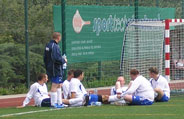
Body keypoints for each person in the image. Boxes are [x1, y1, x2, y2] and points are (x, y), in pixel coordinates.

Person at [44, 32, 67, 108]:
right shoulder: (54, 46)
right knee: (54, 85)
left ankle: (59, 102)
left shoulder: (48, 45)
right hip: (55, 69)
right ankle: (53, 103)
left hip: (51, 68)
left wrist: (47, 66)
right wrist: (63, 60)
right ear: (58, 37)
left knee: (59, 85)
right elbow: (55, 58)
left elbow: (45, 58)